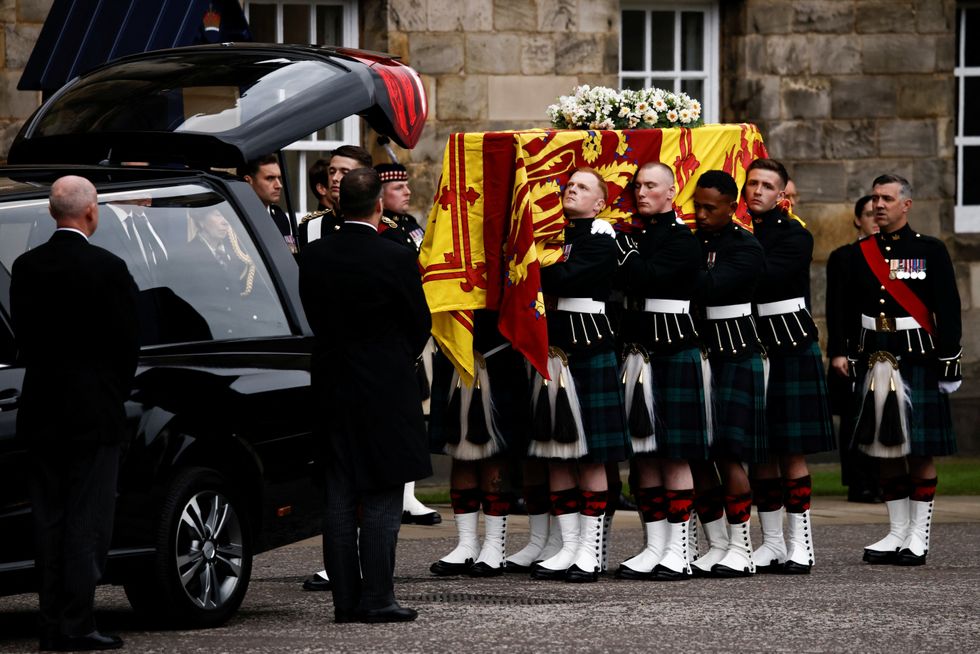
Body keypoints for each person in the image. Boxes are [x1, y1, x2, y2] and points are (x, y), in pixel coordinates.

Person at [10, 175, 139, 651]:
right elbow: (127, 343)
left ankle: (50, 622)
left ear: (50, 212)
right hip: (92, 413)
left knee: (48, 519)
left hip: (41, 408)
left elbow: (24, 336)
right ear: (91, 212)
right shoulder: (107, 267)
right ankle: (78, 623)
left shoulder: (25, 267)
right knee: (88, 521)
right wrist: (111, 392)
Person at [298, 168, 431, 622]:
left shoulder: (313, 256)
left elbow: (311, 314)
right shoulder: (393, 256)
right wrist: (393, 358)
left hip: (331, 382)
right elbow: (419, 323)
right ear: (378, 205)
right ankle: (377, 597)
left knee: (338, 495)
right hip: (384, 386)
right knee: (380, 492)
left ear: (338, 205)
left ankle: (345, 601)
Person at [843, 174, 961, 566]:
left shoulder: (930, 249)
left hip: (917, 356)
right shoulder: (859, 253)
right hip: (877, 355)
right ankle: (896, 531)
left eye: (887, 199)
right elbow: (849, 311)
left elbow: (948, 307)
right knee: (885, 447)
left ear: (906, 205)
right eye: (875, 198)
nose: (878, 205)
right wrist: (852, 354)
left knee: (920, 449)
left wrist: (949, 361)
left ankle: (918, 536)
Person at [529, 167, 631, 583]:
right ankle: (569, 545)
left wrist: (531, 264)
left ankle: (590, 551)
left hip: (589, 347)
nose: (572, 190)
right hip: (554, 348)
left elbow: (569, 277)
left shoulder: (603, 237)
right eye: (569, 185)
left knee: (591, 454)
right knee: (556, 450)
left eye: (583, 187)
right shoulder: (556, 236)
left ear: (600, 202)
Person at [613, 162, 709, 581]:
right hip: (639, 351)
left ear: (672, 192)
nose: (641, 192)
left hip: (672, 350)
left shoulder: (682, 239)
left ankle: (679, 547)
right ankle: (655, 546)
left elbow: (645, 277)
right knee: (644, 454)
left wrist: (620, 250)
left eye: (651, 186)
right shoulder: (640, 236)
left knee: (674, 451)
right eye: (637, 186)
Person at [744, 159, 835, 575]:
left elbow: (767, 276)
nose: (757, 191)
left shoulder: (795, 234)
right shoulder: (738, 232)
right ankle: (772, 542)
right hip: (750, 340)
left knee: (791, 450)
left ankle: (801, 544)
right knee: (760, 447)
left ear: (781, 195)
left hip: (789, 342)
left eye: (767, 185)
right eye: (752, 183)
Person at [689, 170, 767, 578]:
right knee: (698, 452)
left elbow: (711, 288)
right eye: (696, 206)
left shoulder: (745, 245)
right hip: (697, 348)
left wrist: (678, 266)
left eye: (709, 208)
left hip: (733, 349)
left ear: (732, 206)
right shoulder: (693, 241)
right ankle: (717, 542)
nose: (700, 214)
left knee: (730, 452)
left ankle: (741, 547)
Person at [826, 195, 881, 503]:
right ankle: (858, 483)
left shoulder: (898, 256)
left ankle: (883, 481)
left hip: (887, 349)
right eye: (869, 213)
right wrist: (837, 351)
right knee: (854, 419)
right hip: (854, 350)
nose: (876, 218)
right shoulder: (844, 257)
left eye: (879, 212)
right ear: (858, 219)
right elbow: (834, 307)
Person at [298, 145, 372, 247]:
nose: (335, 178)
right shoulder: (311, 227)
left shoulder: (384, 228)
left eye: (345, 172)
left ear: (365, 178)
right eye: (332, 172)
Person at [239, 154, 297, 253]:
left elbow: (291, 255)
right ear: (248, 182)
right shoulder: (238, 218)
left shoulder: (280, 217)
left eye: (279, 178)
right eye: (270, 178)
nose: (279, 185)